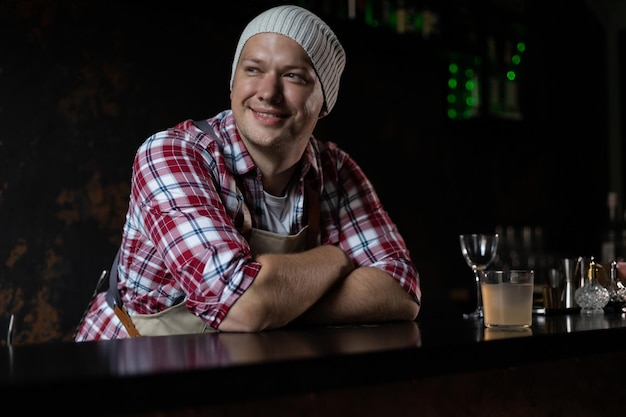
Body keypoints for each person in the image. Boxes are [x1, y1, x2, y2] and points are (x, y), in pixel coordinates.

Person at [75, 4, 421, 341]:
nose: (268, 93)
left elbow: (400, 290)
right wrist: (336, 259)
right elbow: (241, 308)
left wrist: (273, 305)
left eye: (293, 76)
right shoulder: (173, 154)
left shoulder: (336, 169)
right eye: (253, 70)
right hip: (125, 369)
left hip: (237, 369)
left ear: (324, 102)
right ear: (233, 83)